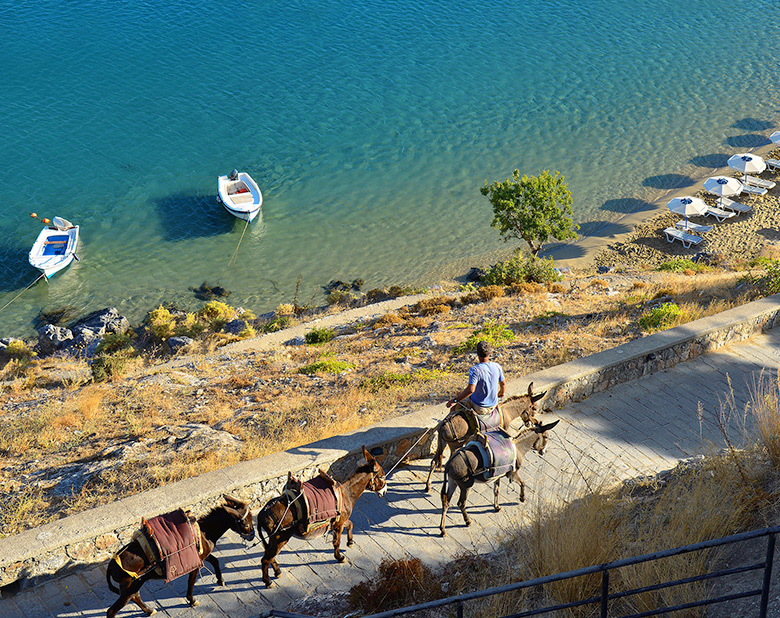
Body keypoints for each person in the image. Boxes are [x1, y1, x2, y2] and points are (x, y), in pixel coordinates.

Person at [446, 340, 505, 415]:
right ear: (489, 353)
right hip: (493, 405)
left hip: (479, 407)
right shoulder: (497, 366)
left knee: (454, 408)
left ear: (477, 354)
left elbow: (471, 390)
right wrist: (501, 393)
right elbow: (503, 383)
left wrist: (454, 401)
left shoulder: (475, 369)